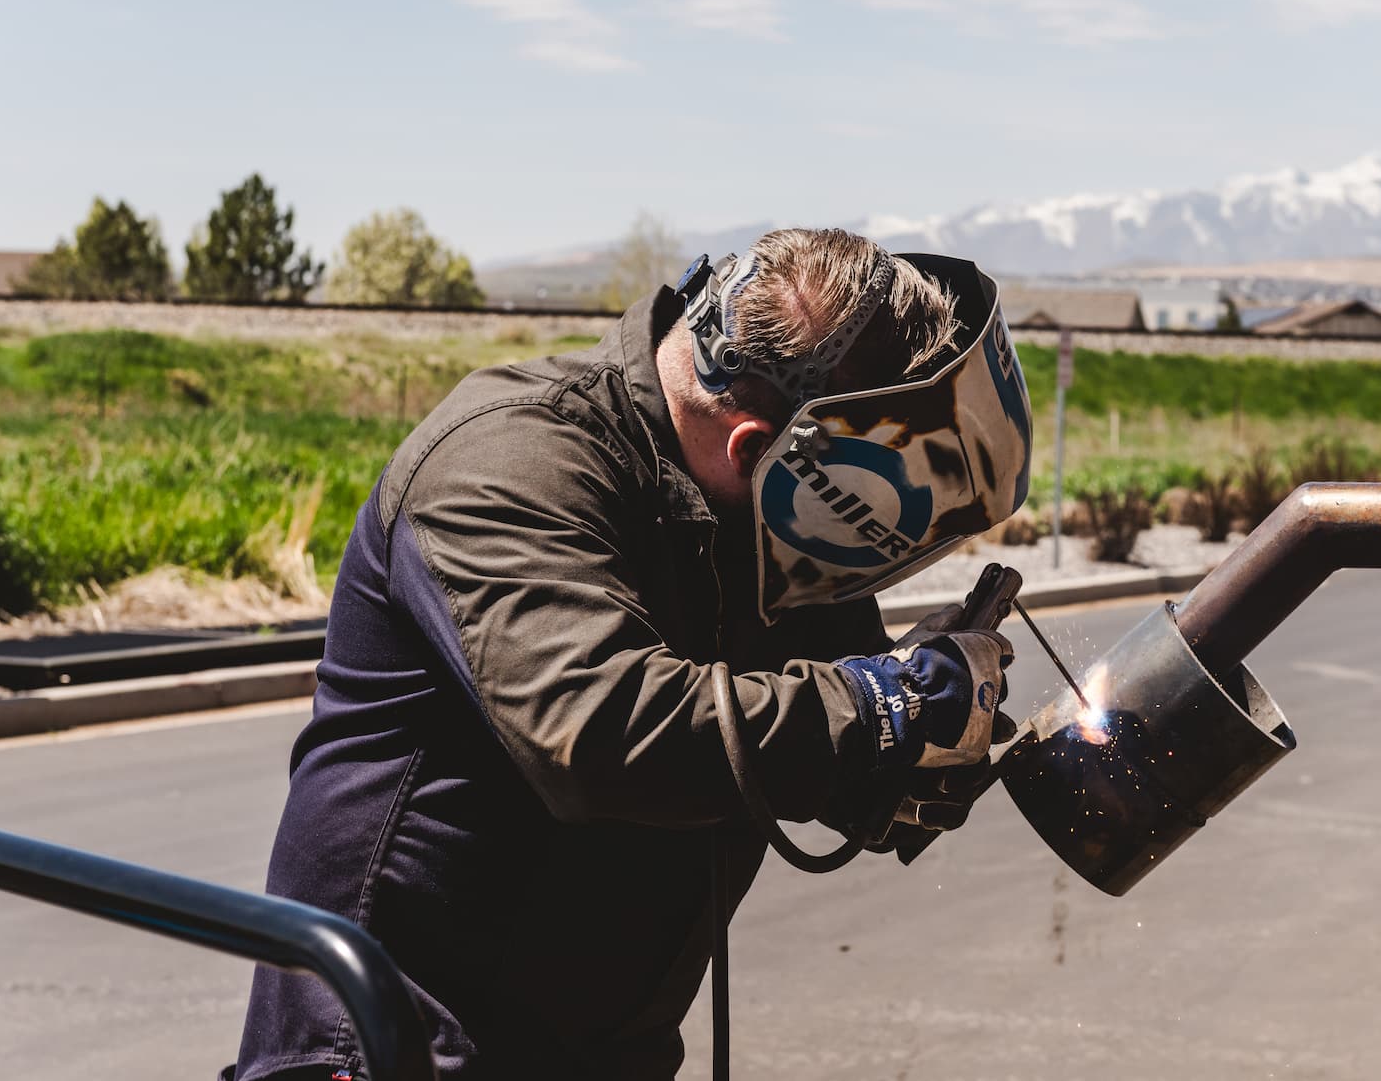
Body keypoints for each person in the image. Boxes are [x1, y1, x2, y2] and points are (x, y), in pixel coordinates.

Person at [227, 227, 1034, 1081]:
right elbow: (603, 733)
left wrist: (926, 746)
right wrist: (886, 704)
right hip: (400, 1048)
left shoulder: (759, 526)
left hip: (602, 1050)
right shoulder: (509, 463)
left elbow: (817, 729)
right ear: (762, 448)